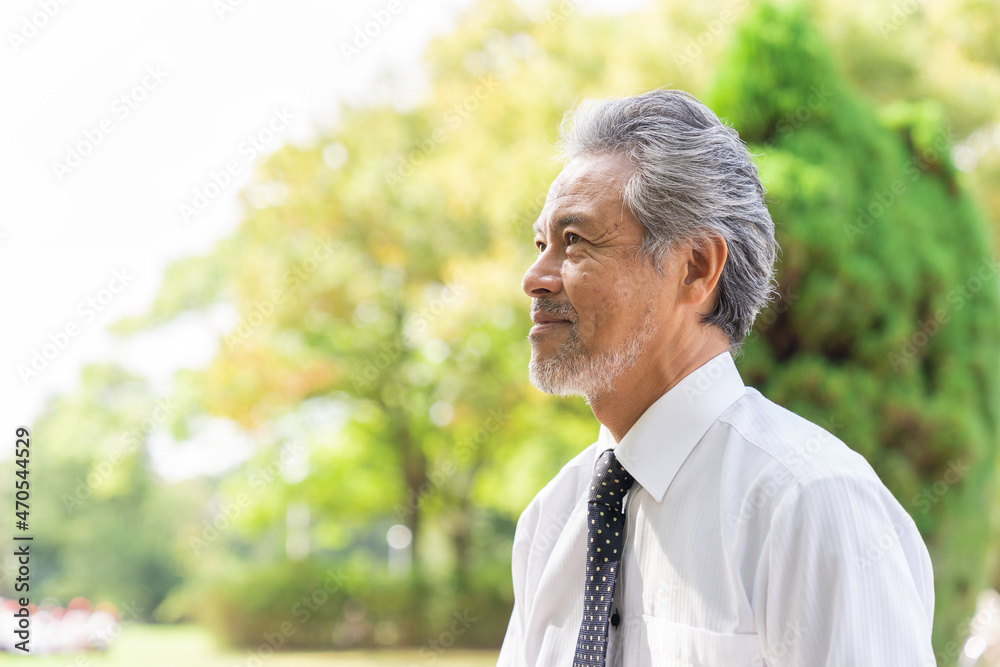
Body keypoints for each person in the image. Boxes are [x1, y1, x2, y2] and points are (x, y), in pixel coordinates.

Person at [496, 89, 935, 667]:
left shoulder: (808, 501)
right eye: (540, 244)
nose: (535, 277)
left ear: (697, 268)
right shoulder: (553, 518)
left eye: (574, 241)